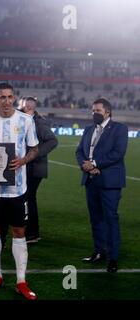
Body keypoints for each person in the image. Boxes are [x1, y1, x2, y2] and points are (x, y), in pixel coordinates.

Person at [0, 83, 39, 300]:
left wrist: (23, 160)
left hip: (17, 189)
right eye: (2, 97)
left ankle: (21, 280)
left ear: (14, 98)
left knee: (19, 232)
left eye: (9, 97)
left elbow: (34, 149)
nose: (6, 100)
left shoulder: (26, 120)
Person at [75, 98, 127, 273]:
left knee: (110, 219)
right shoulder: (89, 130)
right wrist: (85, 164)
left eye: (97, 110)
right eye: (92, 110)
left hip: (109, 182)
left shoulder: (119, 129)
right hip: (91, 180)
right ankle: (99, 252)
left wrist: (95, 164)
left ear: (107, 112)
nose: (94, 113)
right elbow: (79, 151)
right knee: (95, 219)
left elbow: (118, 153)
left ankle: (113, 258)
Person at [21, 97, 58, 243]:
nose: (26, 108)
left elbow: (53, 140)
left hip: (35, 168)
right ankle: (27, 230)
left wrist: (36, 152)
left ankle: (32, 233)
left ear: (30, 107)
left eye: (27, 106)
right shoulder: (24, 120)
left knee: (29, 198)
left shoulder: (39, 122)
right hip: (28, 166)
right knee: (26, 198)